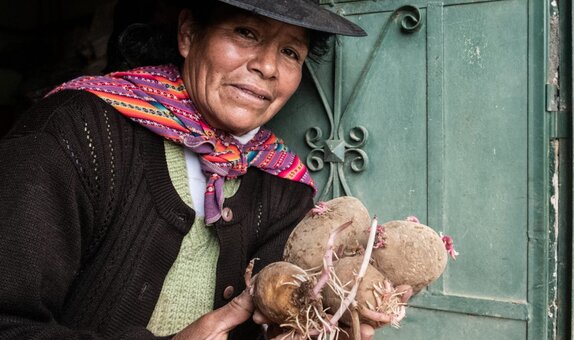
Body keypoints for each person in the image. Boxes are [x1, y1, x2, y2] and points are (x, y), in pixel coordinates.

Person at [0, 0, 379, 339]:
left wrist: (325, 321)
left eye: (291, 52)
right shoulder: (77, 132)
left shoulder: (282, 183)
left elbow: (278, 313)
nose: (267, 67)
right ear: (188, 34)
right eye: (246, 32)